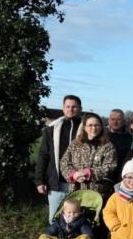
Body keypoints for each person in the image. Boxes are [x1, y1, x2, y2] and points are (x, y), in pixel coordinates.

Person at [35, 94, 83, 224]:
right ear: (63, 108)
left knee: (77, 220)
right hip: (57, 183)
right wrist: (40, 180)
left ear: (80, 108)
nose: (70, 109)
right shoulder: (52, 129)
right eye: (67, 106)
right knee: (55, 219)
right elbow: (43, 155)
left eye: (74, 107)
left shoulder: (86, 129)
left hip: (79, 183)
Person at [60, 113, 117, 200]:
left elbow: (110, 167)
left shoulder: (108, 146)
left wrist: (87, 173)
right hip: (76, 190)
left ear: (101, 127)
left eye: (96, 125)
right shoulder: (76, 144)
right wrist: (73, 175)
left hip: (98, 194)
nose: (93, 128)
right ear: (85, 127)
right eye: (90, 125)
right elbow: (64, 162)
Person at [107, 109, 133, 181]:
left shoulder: (130, 138)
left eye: (118, 119)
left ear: (123, 121)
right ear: (108, 120)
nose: (115, 122)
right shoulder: (103, 136)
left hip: (122, 176)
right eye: (113, 119)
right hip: (105, 176)